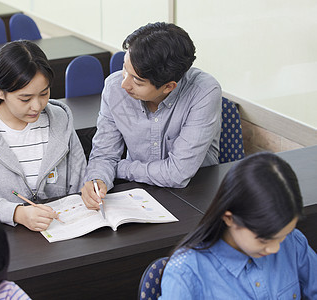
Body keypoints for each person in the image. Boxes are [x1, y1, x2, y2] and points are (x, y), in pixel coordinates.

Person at [0, 40, 87, 231]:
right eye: (25, 98)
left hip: (59, 230)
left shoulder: (60, 119)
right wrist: (16, 213)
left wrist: (90, 189)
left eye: (44, 94)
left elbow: (80, 181)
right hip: (1, 235)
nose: (37, 106)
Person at [81, 22, 222, 210]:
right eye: (124, 69)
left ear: (169, 86)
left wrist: (120, 167)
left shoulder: (203, 92)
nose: (124, 84)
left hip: (195, 195)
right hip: (138, 193)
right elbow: (104, 154)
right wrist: (97, 179)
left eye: (137, 81)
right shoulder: (114, 88)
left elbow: (178, 174)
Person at [158, 152, 317, 299]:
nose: (275, 248)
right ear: (229, 218)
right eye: (264, 240)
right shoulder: (186, 273)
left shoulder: (292, 242)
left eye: (281, 237)